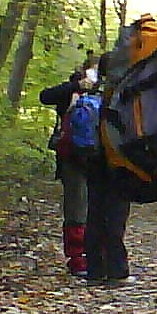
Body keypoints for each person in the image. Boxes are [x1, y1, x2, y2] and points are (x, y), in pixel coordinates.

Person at [40, 56, 96, 277]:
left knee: (96, 209)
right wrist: (76, 87)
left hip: (99, 159)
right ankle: (77, 258)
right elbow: (45, 96)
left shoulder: (109, 91)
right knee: (76, 208)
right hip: (72, 157)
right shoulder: (70, 91)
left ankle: (95, 256)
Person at [81, 52, 132, 286]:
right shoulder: (122, 93)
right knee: (115, 215)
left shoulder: (91, 91)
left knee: (94, 212)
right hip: (116, 159)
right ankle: (116, 270)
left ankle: (94, 269)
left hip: (92, 157)